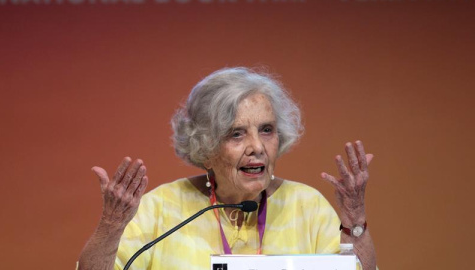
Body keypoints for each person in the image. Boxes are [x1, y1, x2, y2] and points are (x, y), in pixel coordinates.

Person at [78, 67, 377, 270]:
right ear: (205, 148)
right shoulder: (160, 211)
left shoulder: (307, 207)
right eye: (236, 134)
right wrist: (111, 226)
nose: (256, 147)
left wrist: (354, 220)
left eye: (266, 130)